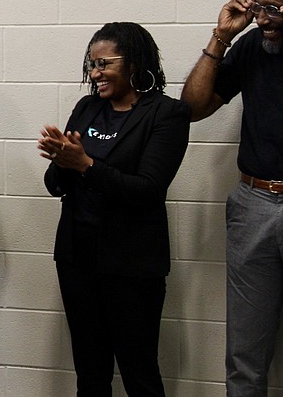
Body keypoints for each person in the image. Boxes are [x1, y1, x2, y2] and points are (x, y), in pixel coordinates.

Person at [181, 0, 283, 396]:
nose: (261, 18)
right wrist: (221, 38)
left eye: (273, 10)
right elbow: (193, 108)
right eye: (258, 7)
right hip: (254, 203)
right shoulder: (251, 46)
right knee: (244, 354)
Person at [39, 22, 191, 396]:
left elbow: (149, 190)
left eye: (104, 63)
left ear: (134, 62)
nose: (95, 74)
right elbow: (54, 185)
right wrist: (62, 161)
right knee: (90, 373)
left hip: (132, 263)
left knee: (139, 372)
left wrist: (85, 165)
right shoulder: (88, 108)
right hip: (78, 257)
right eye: (91, 65)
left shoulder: (166, 114)